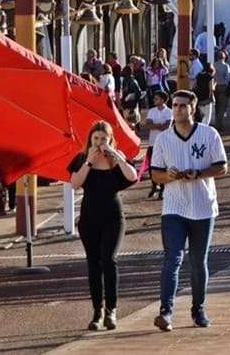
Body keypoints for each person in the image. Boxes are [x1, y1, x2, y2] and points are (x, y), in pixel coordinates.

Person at [147, 90, 227, 331]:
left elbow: (222, 167)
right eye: (175, 105)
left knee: (198, 260)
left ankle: (198, 309)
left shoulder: (209, 134)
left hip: (203, 206)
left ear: (192, 109)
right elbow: (155, 174)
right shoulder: (163, 139)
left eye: (183, 106)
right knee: (173, 258)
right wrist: (168, 176)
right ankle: (166, 312)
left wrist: (200, 173)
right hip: (174, 207)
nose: (178, 109)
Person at [68, 120, 138, 331]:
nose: (99, 143)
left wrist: (116, 156)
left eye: (103, 139)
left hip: (113, 217)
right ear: (90, 139)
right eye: (96, 138)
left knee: (108, 259)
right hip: (89, 218)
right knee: (93, 263)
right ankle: (97, 311)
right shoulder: (82, 159)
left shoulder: (115, 160)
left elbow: (133, 176)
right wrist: (89, 161)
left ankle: (111, 310)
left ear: (110, 140)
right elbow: (75, 184)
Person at [144, 92, 173, 199]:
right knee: (152, 166)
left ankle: (163, 188)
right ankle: (154, 184)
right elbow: (147, 125)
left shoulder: (169, 112)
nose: (154, 100)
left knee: (163, 166)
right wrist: (158, 125)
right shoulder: (151, 111)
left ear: (162, 100)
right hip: (153, 142)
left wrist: (154, 125)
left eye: (156, 99)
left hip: (166, 143)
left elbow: (167, 126)